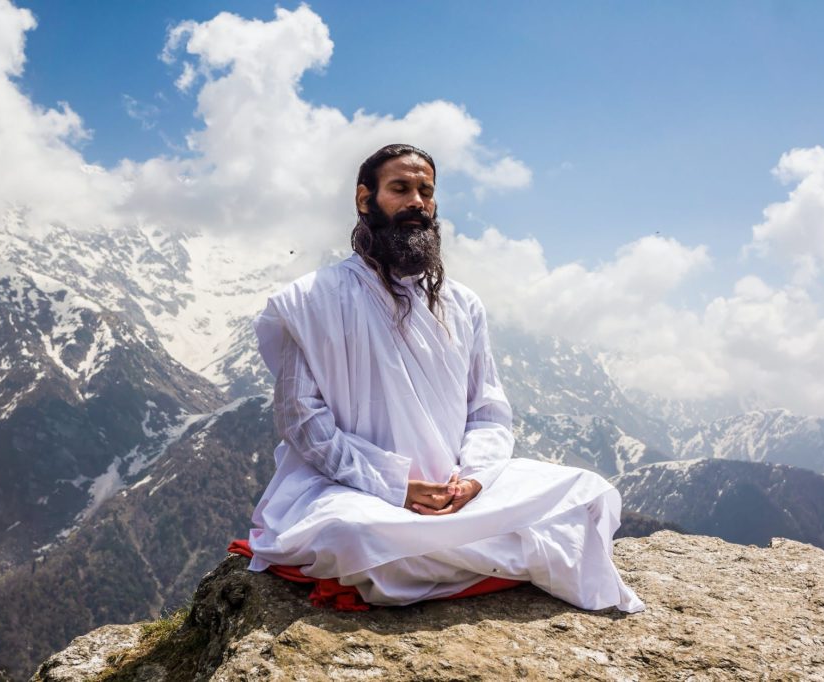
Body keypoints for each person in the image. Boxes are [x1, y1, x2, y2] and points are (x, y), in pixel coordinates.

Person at [246, 144, 644, 612]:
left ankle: (438, 550)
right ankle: (489, 553)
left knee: (586, 494)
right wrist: (396, 487)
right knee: (350, 534)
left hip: (458, 493)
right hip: (354, 491)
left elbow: (488, 412)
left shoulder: (463, 304)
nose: (417, 202)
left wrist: (472, 481)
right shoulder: (310, 300)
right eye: (401, 188)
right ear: (364, 198)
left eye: (426, 191)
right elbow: (302, 424)